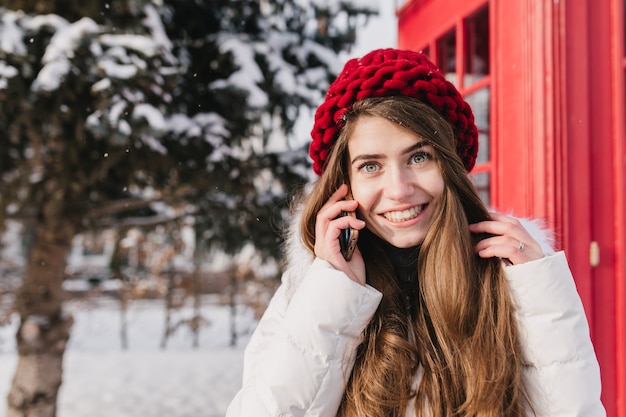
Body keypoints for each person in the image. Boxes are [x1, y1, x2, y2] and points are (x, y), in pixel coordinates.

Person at [225, 48, 605, 417]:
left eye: (419, 157)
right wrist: (333, 294)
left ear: (450, 166)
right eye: (371, 166)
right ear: (345, 185)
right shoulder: (310, 292)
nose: (399, 189)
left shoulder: (509, 281)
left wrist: (539, 294)